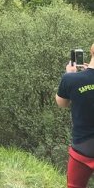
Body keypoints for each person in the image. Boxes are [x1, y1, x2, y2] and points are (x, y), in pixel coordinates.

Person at [57, 44, 94, 188]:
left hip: (82, 149)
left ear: (91, 52)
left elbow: (62, 103)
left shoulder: (71, 79)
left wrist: (71, 75)